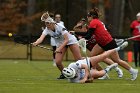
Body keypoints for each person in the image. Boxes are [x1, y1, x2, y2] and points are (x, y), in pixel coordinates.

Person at [84, 7, 138, 81]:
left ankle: (133, 71)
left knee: (117, 60)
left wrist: (81, 38)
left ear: (91, 16)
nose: (87, 18)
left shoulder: (93, 22)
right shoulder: (96, 21)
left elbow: (88, 35)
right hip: (101, 43)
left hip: (108, 43)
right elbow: (88, 34)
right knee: (92, 57)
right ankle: (98, 73)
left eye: (88, 17)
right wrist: (77, 34)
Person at [32, 12, 82, 79]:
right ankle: (64, 74)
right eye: (45, 23)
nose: (46, 25)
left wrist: (59, 49)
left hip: (70, 41)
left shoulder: (60, 26)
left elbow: (67, 39)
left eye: (48, 23)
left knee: (78, 60)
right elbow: (41, 38)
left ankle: (84, 72)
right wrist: (36, 42)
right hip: (61, 44)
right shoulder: (47, 30)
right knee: (58, 62)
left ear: (52, 22)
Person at [62, 41, 128, 83]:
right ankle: (109, 68)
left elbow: (85, 67)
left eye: (75, 73)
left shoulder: (73, 65)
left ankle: (118, 48)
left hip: (87, 62)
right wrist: (88, 80)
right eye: (74, 76)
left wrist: (85, 78)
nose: (76, 75)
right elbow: (85, 81)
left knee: (103, 56)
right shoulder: (73, 81)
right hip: (87, 73)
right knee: (100, 74)